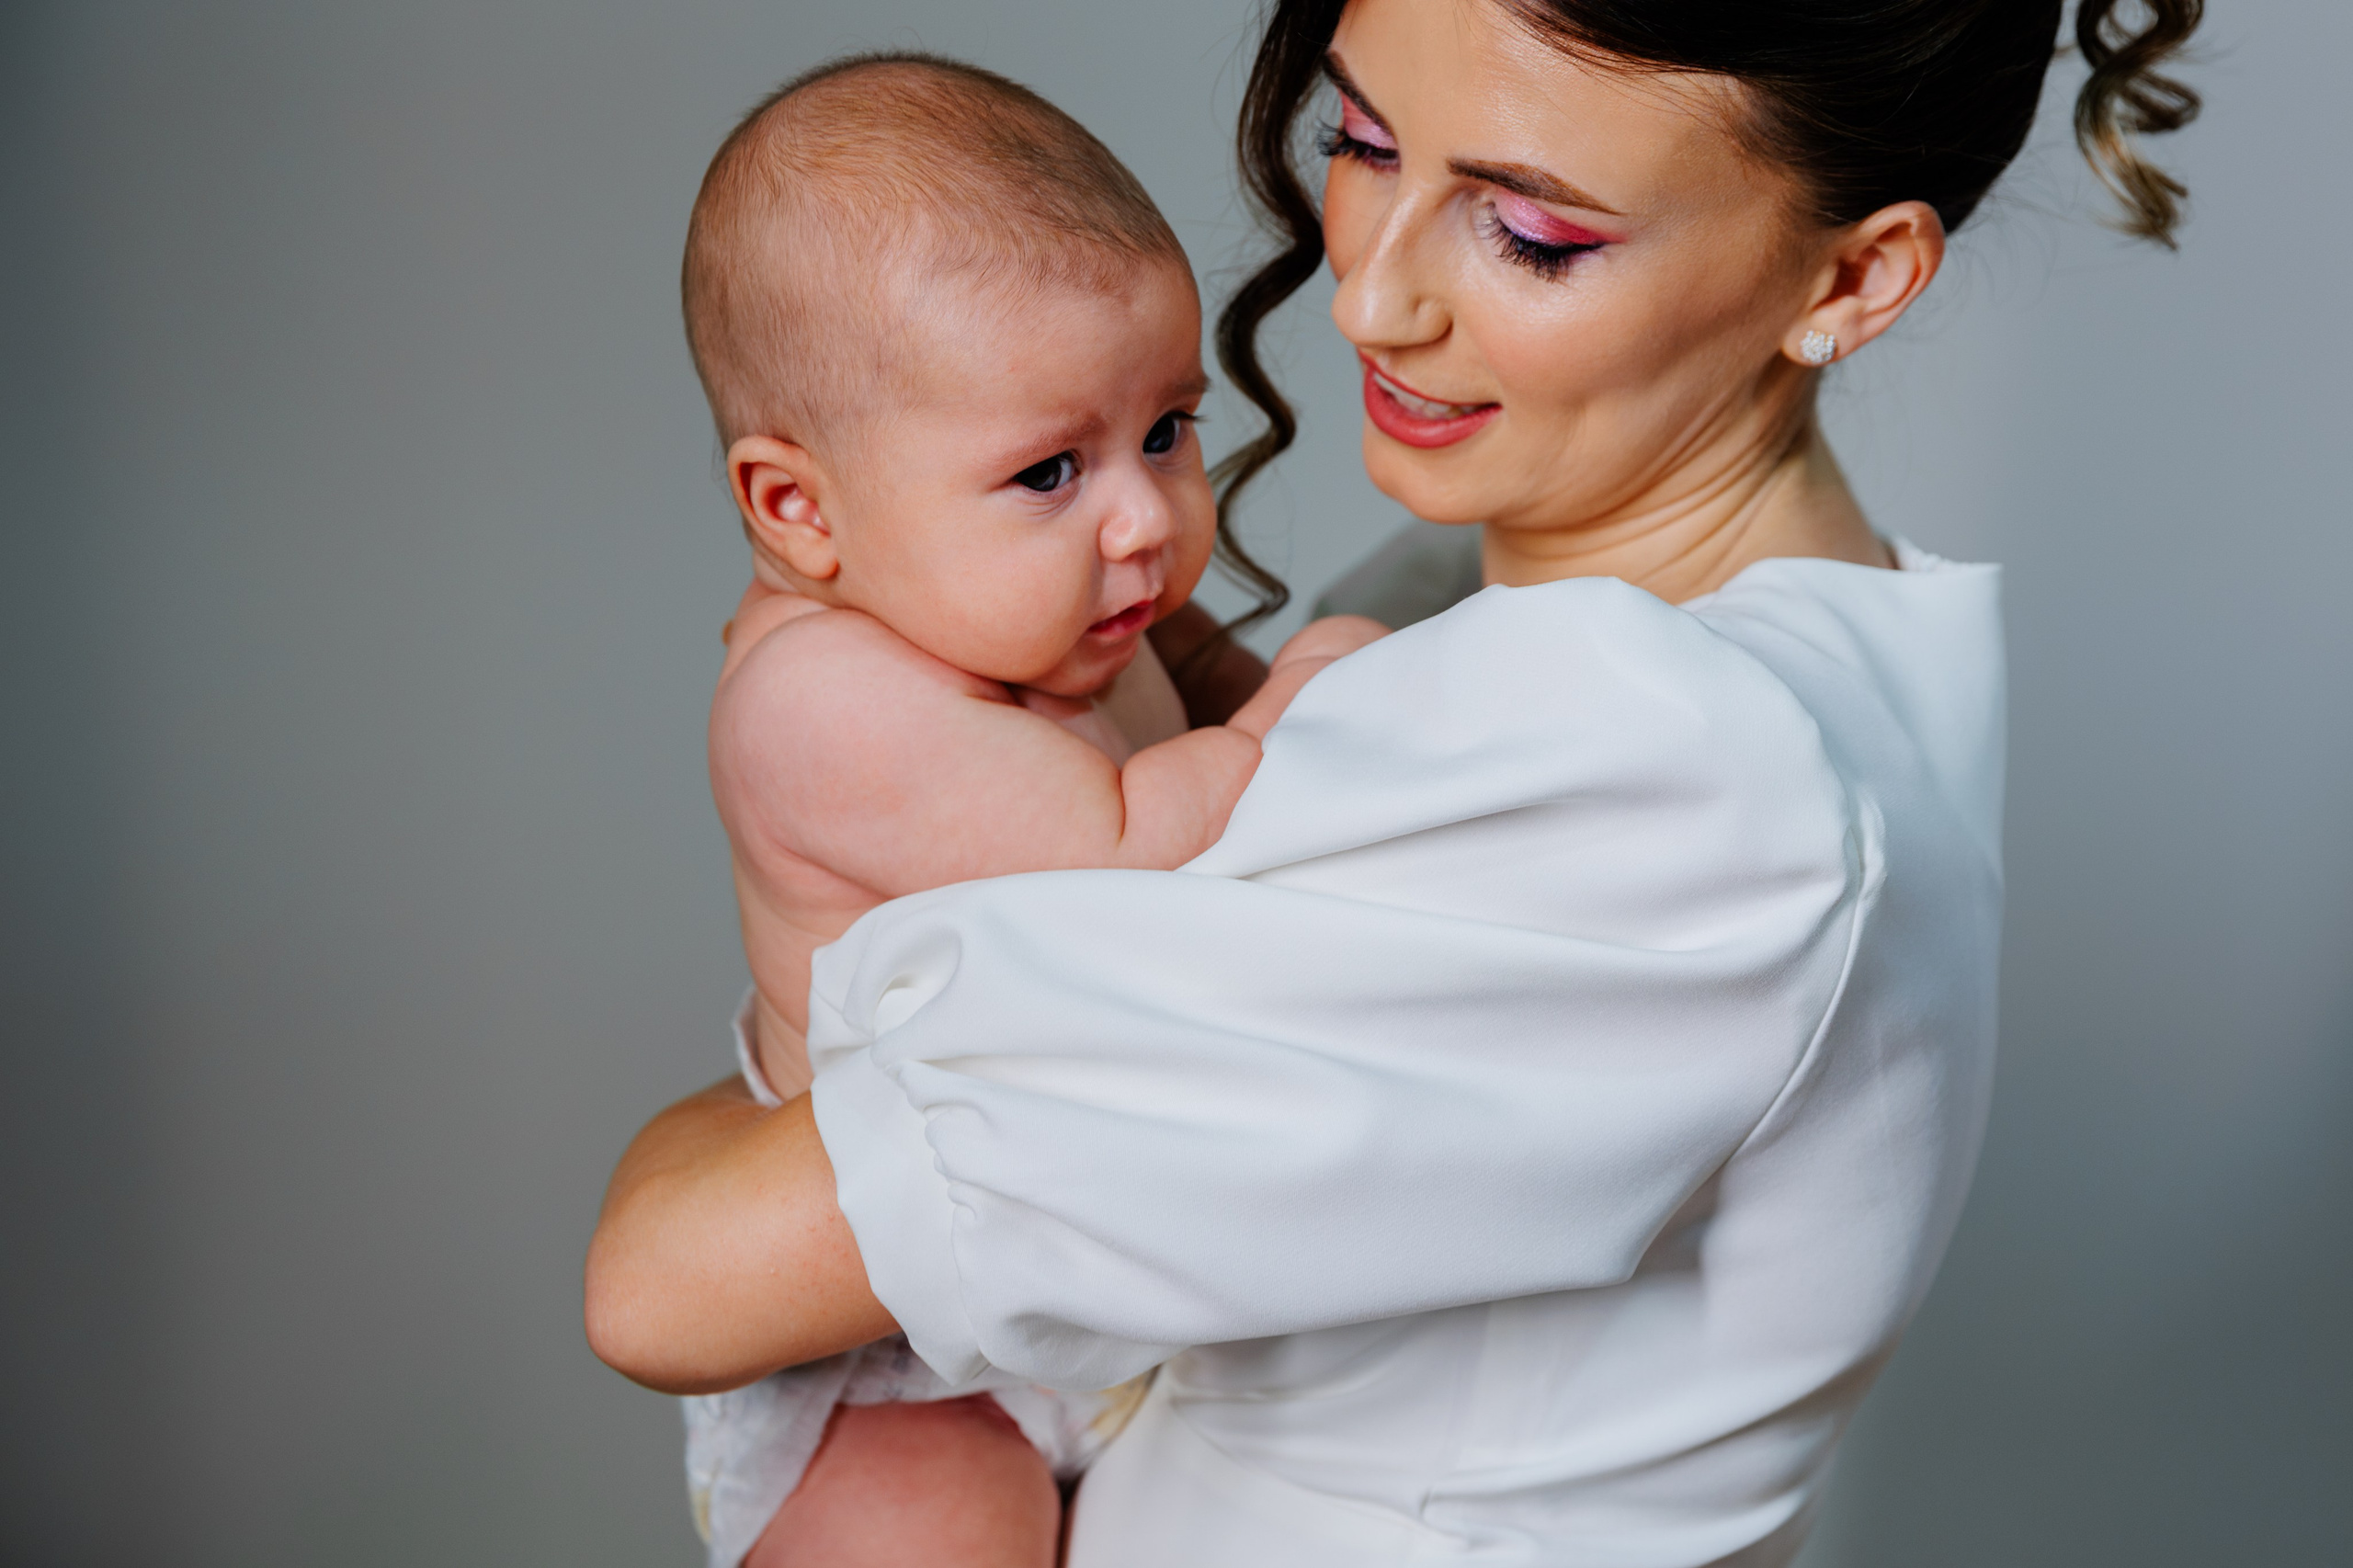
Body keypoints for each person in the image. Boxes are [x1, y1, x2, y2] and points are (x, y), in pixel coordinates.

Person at [588, 1, 2202, 1562]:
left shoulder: (1663, 773)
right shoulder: (1523, 623)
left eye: (1534, 234)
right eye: (1361, 138)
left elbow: (666, 1273)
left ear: (1855, 273)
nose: (1368, 301)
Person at [663, 55, 1381, 1568]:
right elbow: (1122, 849)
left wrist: (1245, 683)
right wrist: (1321, 690)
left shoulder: (1078, 615)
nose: (1146, 519)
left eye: (1168, 431)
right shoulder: (822, 699)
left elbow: (1199, 699)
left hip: (1071, 1278)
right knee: (947, 1535)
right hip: (895, 1352)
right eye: (1052, 468)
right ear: (801, 510)